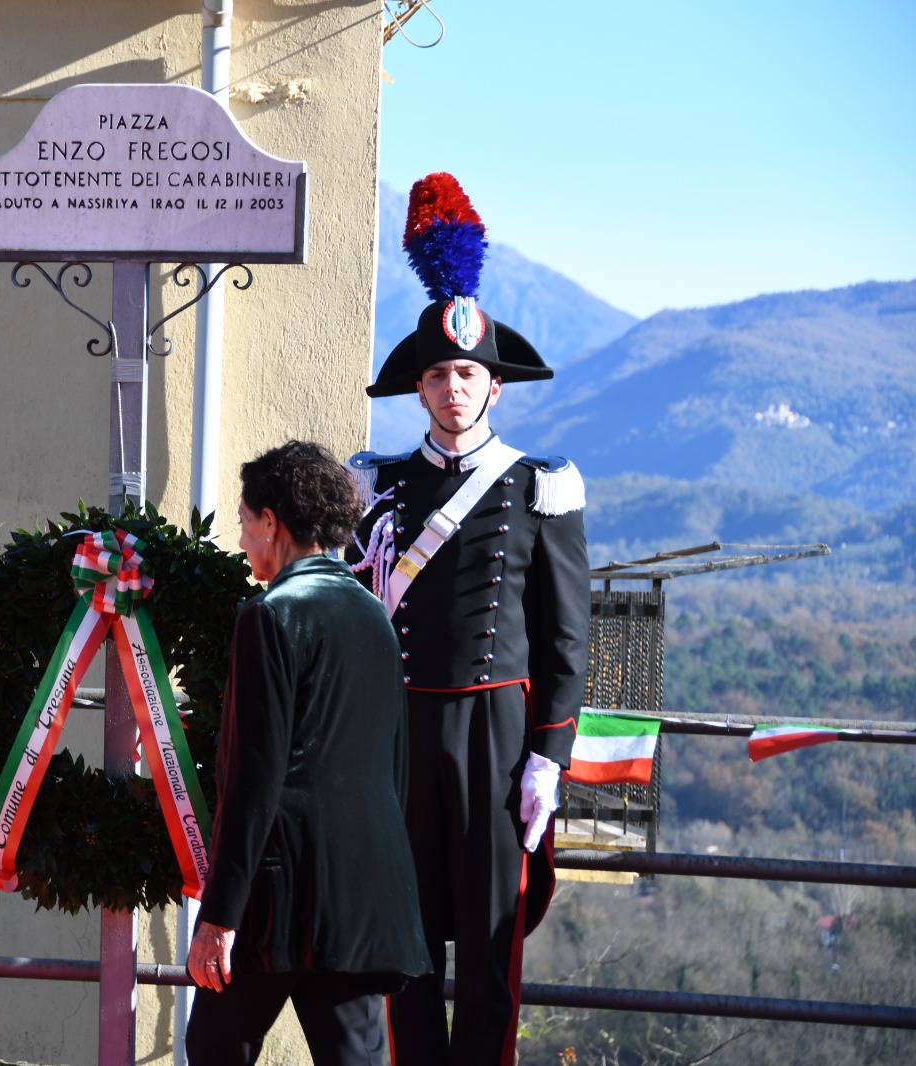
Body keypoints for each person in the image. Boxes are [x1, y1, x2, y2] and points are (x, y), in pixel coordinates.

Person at [348, 173, 589, 1066]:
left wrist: (548, 758)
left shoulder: (539, 486)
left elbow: (567, 635)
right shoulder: (377, 484)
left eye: (470, 374)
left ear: (497, 388)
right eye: (440, 374)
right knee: (404, 934)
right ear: (419, 388)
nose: (455, 388)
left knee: (492, 941)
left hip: (498, 731)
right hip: (402, 729)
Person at [186, 440, 430, 1066]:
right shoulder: (376, 614)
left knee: (215, 1044)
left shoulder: (269, 615)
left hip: (280, 893)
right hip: (366, 890)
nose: (242, 540)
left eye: (244, 522)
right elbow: (393, 765)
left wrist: (219, 915)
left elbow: (254, 777)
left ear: (272, 521)